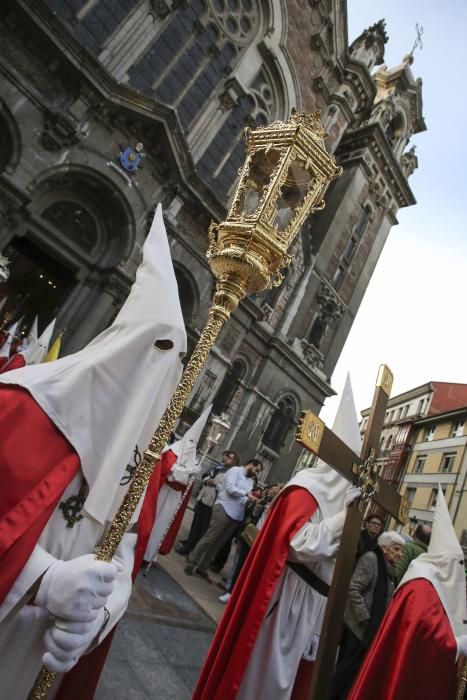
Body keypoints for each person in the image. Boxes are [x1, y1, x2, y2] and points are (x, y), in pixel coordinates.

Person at [0, 205, 186, 699]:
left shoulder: (137, 459)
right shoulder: (20, 404)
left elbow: (123, 551)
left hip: (38, 659)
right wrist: (39, 580)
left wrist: (99, 616)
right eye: (158, 352)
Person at [193, 373, 361, 700]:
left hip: (312, 604)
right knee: (267, 684)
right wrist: (344, 520)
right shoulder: (306, 487)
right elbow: (298, 545)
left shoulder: (342, 501)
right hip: (286, 599)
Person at [348, 487, 467, 700]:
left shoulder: (430, 582)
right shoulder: (422, 584)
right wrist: (457, 644)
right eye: (457, 563)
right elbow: (422, 632)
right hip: (362, 629)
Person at [330, 530, 404, 699]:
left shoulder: (390, 568)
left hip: (369, 629)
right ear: (384, 548)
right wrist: (365, 618)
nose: (400, 554)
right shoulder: (371, 559)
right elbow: (354, 588)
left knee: (354, 672)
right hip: (358, 627)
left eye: (401, 550)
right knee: (346, 669)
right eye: (397, 549)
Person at [143, 404, 212, 563]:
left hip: (175, 497)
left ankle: (151, 553)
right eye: (190, 441)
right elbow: (170, 473)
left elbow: (187, 483)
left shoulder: (195, 460)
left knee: (163, 525)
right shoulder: (172, 452)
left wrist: (192, 472)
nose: (190, 446)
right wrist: (185, 472)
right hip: (163, 491)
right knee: (152, 519)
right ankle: (142, 548)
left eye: (194, 443)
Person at [185, 459, 263, 582]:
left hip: (236, 515)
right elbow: (230, 489)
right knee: (210, 537)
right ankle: (192, 560)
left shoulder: (249, 481)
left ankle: (202, 567)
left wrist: (250, 501)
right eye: (256, 470)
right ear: (251, 465)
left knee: (219, 543)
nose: (256, 474)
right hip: (224, 507)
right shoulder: (235, 471)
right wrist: (246, 495)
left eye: (258, 473)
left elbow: (244, 497)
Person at [176, 450, 239, 556]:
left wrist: (215, 483)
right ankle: (189, 544)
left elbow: (225, 487)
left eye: (230, 458)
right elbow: (206, 475)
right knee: (196, 523)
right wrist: (207, 481)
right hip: (203, 497)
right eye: (227, 456)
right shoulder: (218, 468)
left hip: (212, 502)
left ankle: (191, 549)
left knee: (203, 528)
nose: (227, 459)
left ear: (235, 461)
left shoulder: (232, 474)